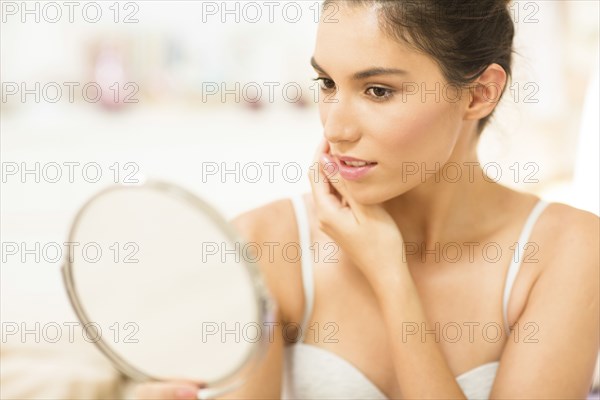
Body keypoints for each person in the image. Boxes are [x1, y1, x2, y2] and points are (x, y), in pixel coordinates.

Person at [135, 0, 599, 398]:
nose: (335, 128)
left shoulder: (568, 250)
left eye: (378, 91)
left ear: (479, 93)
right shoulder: (265, 243)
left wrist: (390, 277)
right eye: (328, 84)